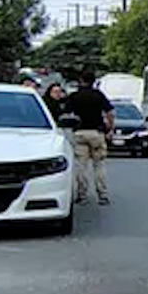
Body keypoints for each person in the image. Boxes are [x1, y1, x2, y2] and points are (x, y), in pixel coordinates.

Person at [59, 71, 114, 205]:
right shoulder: (98, 95)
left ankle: (81, 194)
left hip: (79, 133)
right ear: (93, 81)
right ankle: (103, 194)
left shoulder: (74, 96)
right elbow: (110, 112)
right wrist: (110, 129)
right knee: (99, 165)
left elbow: (65, 114)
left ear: (81, 81)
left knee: (80, 166)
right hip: (96, 132)